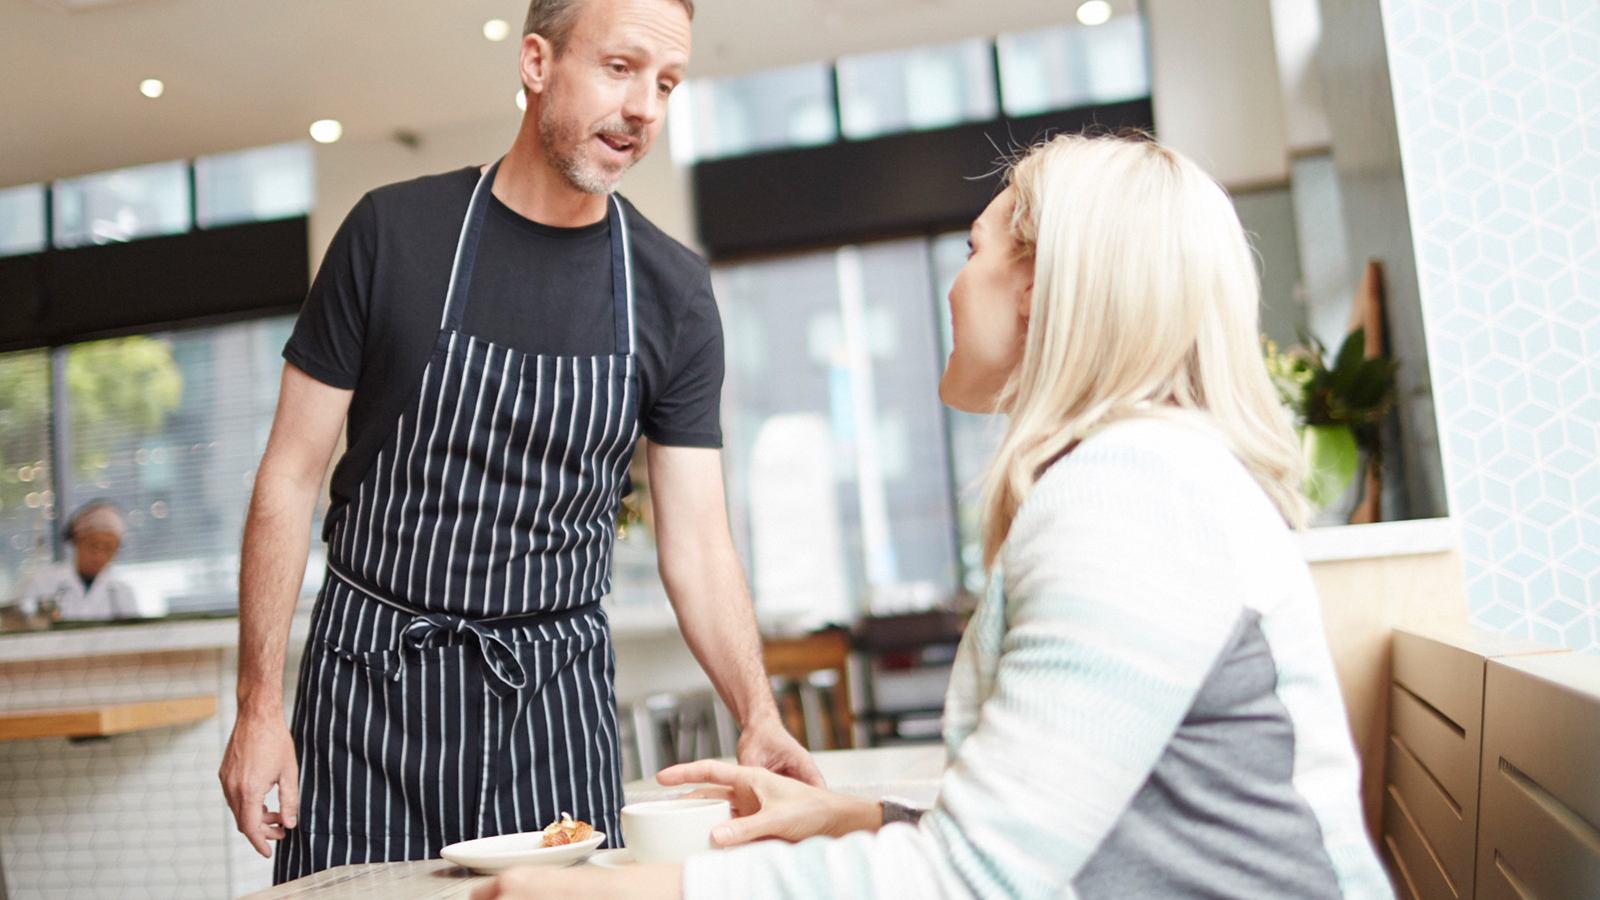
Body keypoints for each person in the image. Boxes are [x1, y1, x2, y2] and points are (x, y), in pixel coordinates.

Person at [471, 134, 1398, 900]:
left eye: (975, 250)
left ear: (1040, 286)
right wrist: (861, 817)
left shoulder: (1133, 499)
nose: (956, 285)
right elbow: (1080, 819)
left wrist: (628, 894)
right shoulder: (1145, 473)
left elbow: (977, 881)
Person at [218, 0, 819, 884]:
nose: (645, 106)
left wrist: (758, 713)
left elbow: (697, 540)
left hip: (551, 705)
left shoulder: (674, 293)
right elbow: (289, 477)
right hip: (369, 691)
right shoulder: (392, 234)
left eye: (666, 83)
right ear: (536, 63)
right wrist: (258, 705)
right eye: (620, 69)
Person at [22, 501, 139, 620]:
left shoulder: (122, 593)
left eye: (109, 548)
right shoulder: (42, 584)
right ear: (76, 540)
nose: (99, 555)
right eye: (93, 545)